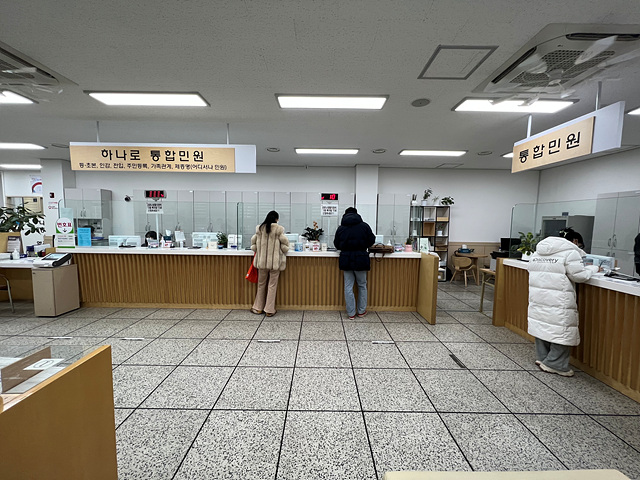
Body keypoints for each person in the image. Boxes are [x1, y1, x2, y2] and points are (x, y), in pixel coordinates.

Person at [527, 234, 599, 377]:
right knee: (562, 329)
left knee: (542, 325)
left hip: (539, 297)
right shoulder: (570, 253)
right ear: (575, 241)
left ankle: (542, 357)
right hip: (559, 299)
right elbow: (579, 276)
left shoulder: (537, 253)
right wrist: (593, 269)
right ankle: (555, 363)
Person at [334, 207, 375, 319]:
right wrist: (363, 246)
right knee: (362, 285)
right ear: (357, 215)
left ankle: (351, 313)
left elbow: (336, 244)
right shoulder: (364, 226)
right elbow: (371, 240)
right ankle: (361, 311)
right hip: (361, 258)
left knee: (348, 286)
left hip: (346, 259)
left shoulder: (341, 228)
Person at [250, 211, 289, 317]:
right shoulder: (278, 229)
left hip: (262, 262)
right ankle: (269, 310)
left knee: (261, 285)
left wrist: (258, 249)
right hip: (274, 263)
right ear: (276, 219)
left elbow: (253, 243)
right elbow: (285, 244)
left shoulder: (260, 229)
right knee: (272, 286)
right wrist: (283, 249)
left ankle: (258, 308)